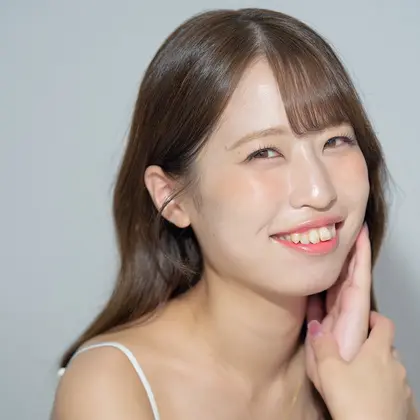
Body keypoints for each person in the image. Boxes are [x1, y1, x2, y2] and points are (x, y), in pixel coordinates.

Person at [51, 8, 418, 420]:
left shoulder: (369, 377)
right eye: (264, 152)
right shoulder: (111, 387)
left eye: (335, 141)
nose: (320, 191)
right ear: (172, 198)